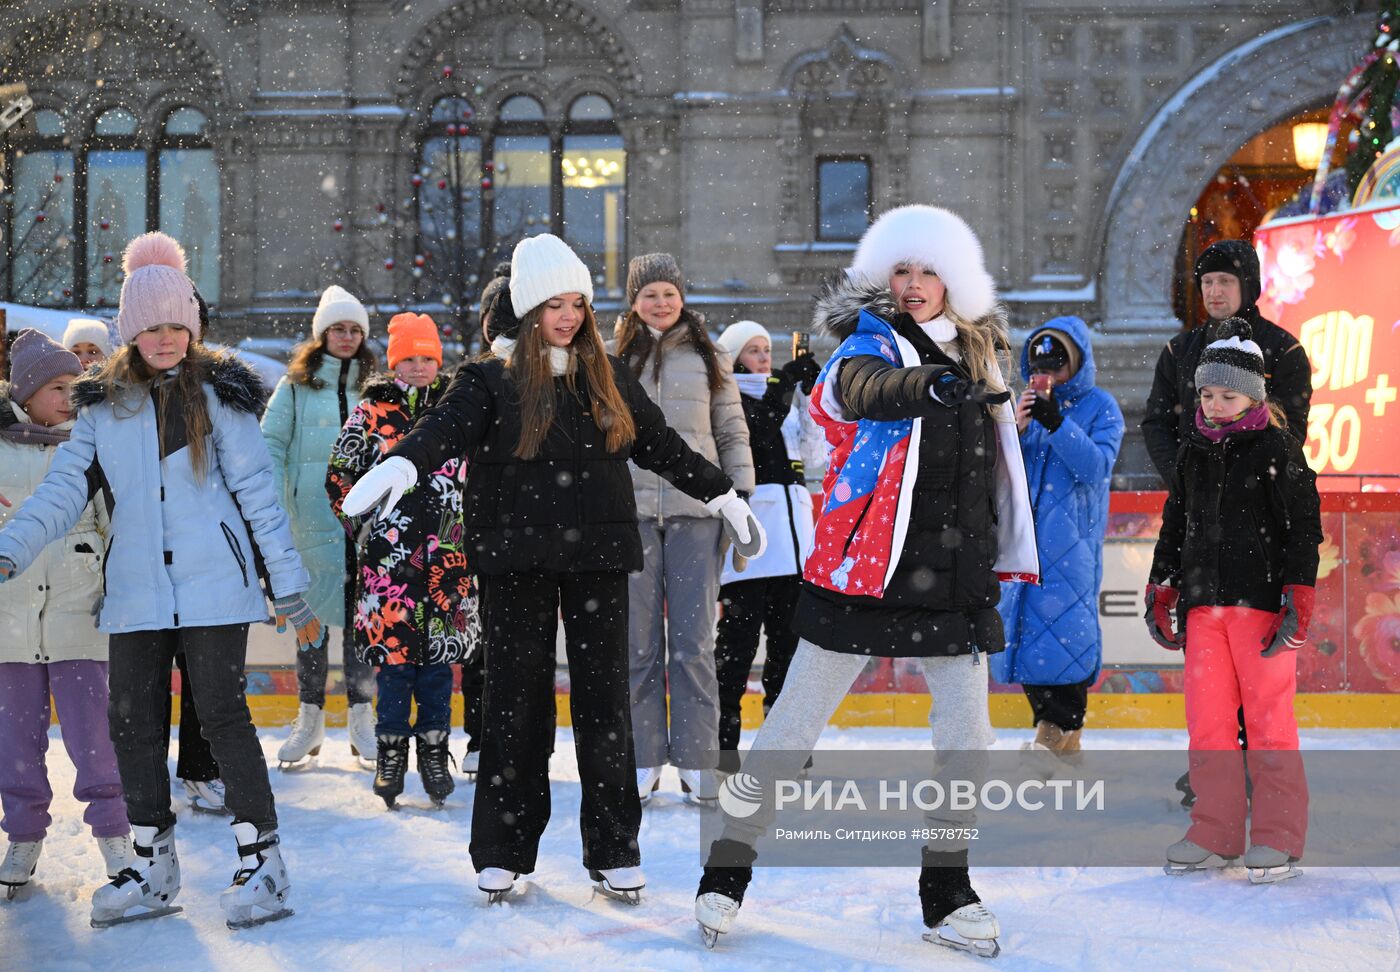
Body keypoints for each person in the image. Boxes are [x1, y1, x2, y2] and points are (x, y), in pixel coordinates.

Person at [339, 233, 763, 904]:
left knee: (605, 704)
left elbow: (660, 445)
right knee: (514, 704)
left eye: (577, 303)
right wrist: (402, 461)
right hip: (516, 562)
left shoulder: (608, 376)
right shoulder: (489, 380)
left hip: (598, 559)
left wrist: (721, 494)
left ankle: (615, 847)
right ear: (527, 308)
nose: (567, 316)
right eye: (553, 304)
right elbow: (443, 430)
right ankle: (504, 850)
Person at [694, 205, 1038, 957]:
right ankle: (728, 868)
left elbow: (986, 480)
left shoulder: (985, 359)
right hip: (865, 570)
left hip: (952, 577)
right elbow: (859, 390)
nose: (913, 285)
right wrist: (928, 389)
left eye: (927, 271)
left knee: (967, 740)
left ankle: (947, 890)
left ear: (956, 280)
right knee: (791, 726)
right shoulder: (867, 343)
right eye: (901, 272)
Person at [0, 233, 322, 930]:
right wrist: (10, 549)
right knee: (133, 726)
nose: (167, 338)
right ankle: (151, 864)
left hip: (216, 586)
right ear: (131, 331)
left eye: (177, 325)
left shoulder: (223, 398)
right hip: (137, 591)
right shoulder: (103, 406)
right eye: (152, 328)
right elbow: (59, 494)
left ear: (193, 327)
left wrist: (289, 586)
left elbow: (260, 496)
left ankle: (260, 860)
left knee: (221, 716)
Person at [1148, 318, 1320, 884]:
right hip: (1204, 608)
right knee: (1209, 724)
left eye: (1227, 394)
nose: (1215, 404)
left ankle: (1278, 836)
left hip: (1260, 607)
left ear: (1253, 396)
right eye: (1206, 393)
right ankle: (1215, 830)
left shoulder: (1276, 447)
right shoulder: (1194, 449)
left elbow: (1302, 526)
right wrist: (1164, 581)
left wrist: (1298, 590)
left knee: (1270, 723)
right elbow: (1177, 521)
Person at [613, 253, 756, 806]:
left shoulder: (709, 354)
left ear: (682, 296)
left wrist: (739, 497)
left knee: (694, 643)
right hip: (632, 515)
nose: (661, 302)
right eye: (650, 294)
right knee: (638, 643)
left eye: (669, 292)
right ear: (634, 301)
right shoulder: (609, 357)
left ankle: (698, 760)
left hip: (698, 514)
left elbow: (730, 429)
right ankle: (645, 753)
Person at [0, 330, 132, 898]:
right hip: (9, 624)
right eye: (57, 387)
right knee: (15, 742)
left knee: (95, 738)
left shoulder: (90, 449)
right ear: (26, 394)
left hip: (80, 618)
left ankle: (115, 837)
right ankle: (24, 834)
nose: (69, 398)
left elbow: (116, 529)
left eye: (76, 388)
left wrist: (117, 589)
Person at [327, 313, 476, 809]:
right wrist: (366, 528)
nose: (417, 367)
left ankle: (435, 752)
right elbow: (340, 476)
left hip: (447, 567)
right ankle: (390, 754)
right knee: (395, 666)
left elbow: (482, 476)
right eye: (408, 358)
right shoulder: (371, 414)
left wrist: (470, 527)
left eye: (426, 358)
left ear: (439, 360)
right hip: (388, 568)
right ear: (393, 363)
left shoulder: (458, 410)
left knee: (437, 668)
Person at [994, 319, 1123, 759]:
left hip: (1071, 551)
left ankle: (1053, 734)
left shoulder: (1101, 407)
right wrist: (1016, 429)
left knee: (1067, 639)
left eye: (1058, 361)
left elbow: (1096, 468)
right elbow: (1000, 471)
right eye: (1039, 361)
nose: (1047, 371)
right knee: (1028, 641)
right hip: (1023, 545)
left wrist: (1057, 424)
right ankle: (1066, 746)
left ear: (1078, 362)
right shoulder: (1023, 404)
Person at [262, 285, 379, 769]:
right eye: (338, 328)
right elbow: (270, 445)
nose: (346, 337)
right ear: (321, 334)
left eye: (355, 329)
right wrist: (274, 507)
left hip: (367, 527)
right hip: (310, 523)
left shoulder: (377, 387)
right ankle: (309, 721)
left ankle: (361, 720)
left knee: (362, 627)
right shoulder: (294, 386)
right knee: (310, 629)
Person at [711, 320, 825, 775]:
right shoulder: (729, 399)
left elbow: (816, 457)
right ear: (735, 358)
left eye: (766, 348)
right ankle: (722, 744)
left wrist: (814, 401)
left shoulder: (786, 400)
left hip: (795, 545)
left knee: (789, 649)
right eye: (753, 350)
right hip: (751, 544)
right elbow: (753, 435)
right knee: (737, 649)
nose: (763, 357)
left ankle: (783, 743)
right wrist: (783, 392)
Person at [1142, 240, 1311, 485]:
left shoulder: (1285, 350)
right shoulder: (1178, 350)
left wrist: (1248, 481)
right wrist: (1181, 477)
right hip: (1191, 497)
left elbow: (1291, 427)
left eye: (1225, 281)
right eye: (1207, 282)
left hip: (1258, 496)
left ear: (1248, 286)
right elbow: (1157, 423)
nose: (1214, 291)